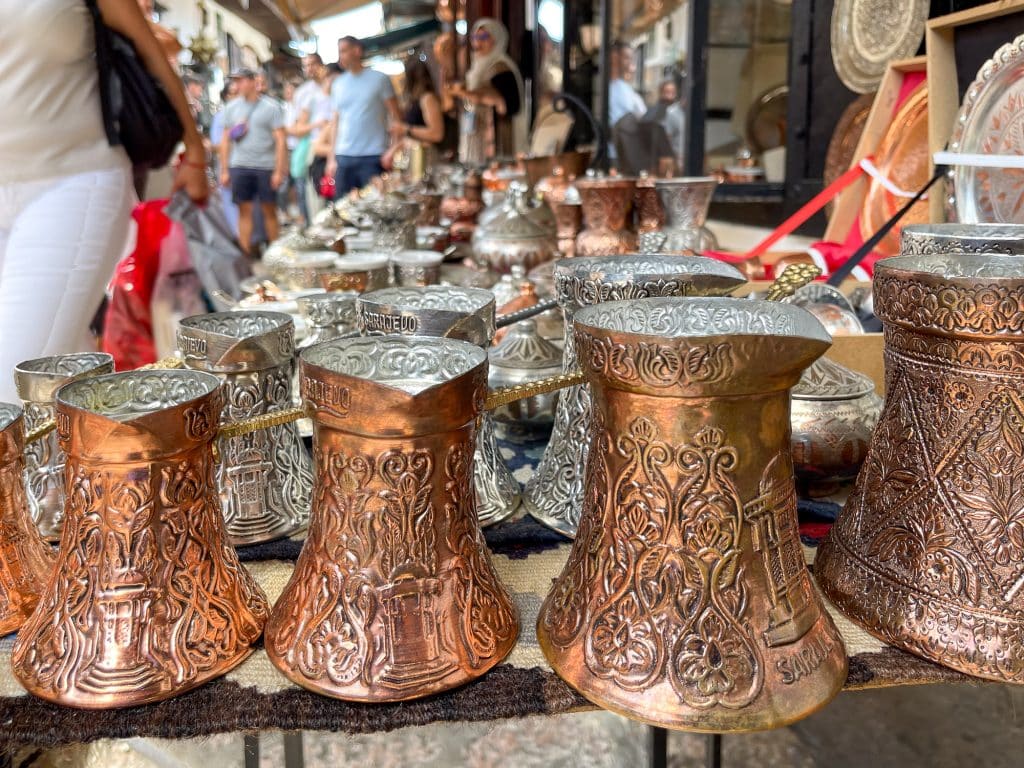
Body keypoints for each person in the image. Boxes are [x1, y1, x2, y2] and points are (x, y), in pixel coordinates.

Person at [0, 0, 208, 401]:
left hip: (71, 184)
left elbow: (154, 52)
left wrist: (195, 152)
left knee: (12, 387)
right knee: (59, 376)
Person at [218, 68, 286, 255]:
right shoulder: (231, 108)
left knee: (269, 211)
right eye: (235, 81)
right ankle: (245, 255)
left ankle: (276, 256)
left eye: (240, 81)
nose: (237, 85)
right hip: (240, 165)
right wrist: (224, 169)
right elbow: (225, 141)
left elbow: (281, 140)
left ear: (252, 81)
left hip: (265, 166)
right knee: (244, 211)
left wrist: (279, 170)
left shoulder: (271, 107)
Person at [324, 36, 401, 197]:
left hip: (373, 156)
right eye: (339, 52)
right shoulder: (338, 84)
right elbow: (335, 122)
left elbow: (396, 117)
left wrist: (393, 149)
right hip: (343, 156)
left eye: (344, 51)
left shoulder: (380, 79)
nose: (340, 57)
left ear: (357, 51)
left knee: (375, 207)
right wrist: (331, 159)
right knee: (343, 209)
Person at [452, 18, 524, 165]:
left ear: (496, 39)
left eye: (484, 37)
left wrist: (466, 93)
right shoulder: (478, 67)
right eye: (475, 37)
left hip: (497, 138)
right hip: (477, 134)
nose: (478, 43)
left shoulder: (501, 67)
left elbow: (505, 104)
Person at [286, 54, 328, 224]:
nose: (310, 69)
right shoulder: (304, 93)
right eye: (306, 65)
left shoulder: (332, 85)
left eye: (313, 64)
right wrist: (318, 125)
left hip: (336, 148)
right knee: (315, 198)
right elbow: (296, 128)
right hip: (313, 150)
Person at [386, 55, 446, 171]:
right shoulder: (416, 100)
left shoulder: (428, 98)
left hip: (427, 159)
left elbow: (436, 134)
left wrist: (406, 129)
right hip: (416, 157)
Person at [608, 41, 646, 128]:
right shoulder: (606, 87)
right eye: (627, 58)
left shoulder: (625, 87)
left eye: (631, 58)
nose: (630, 63)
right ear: (614, 57)